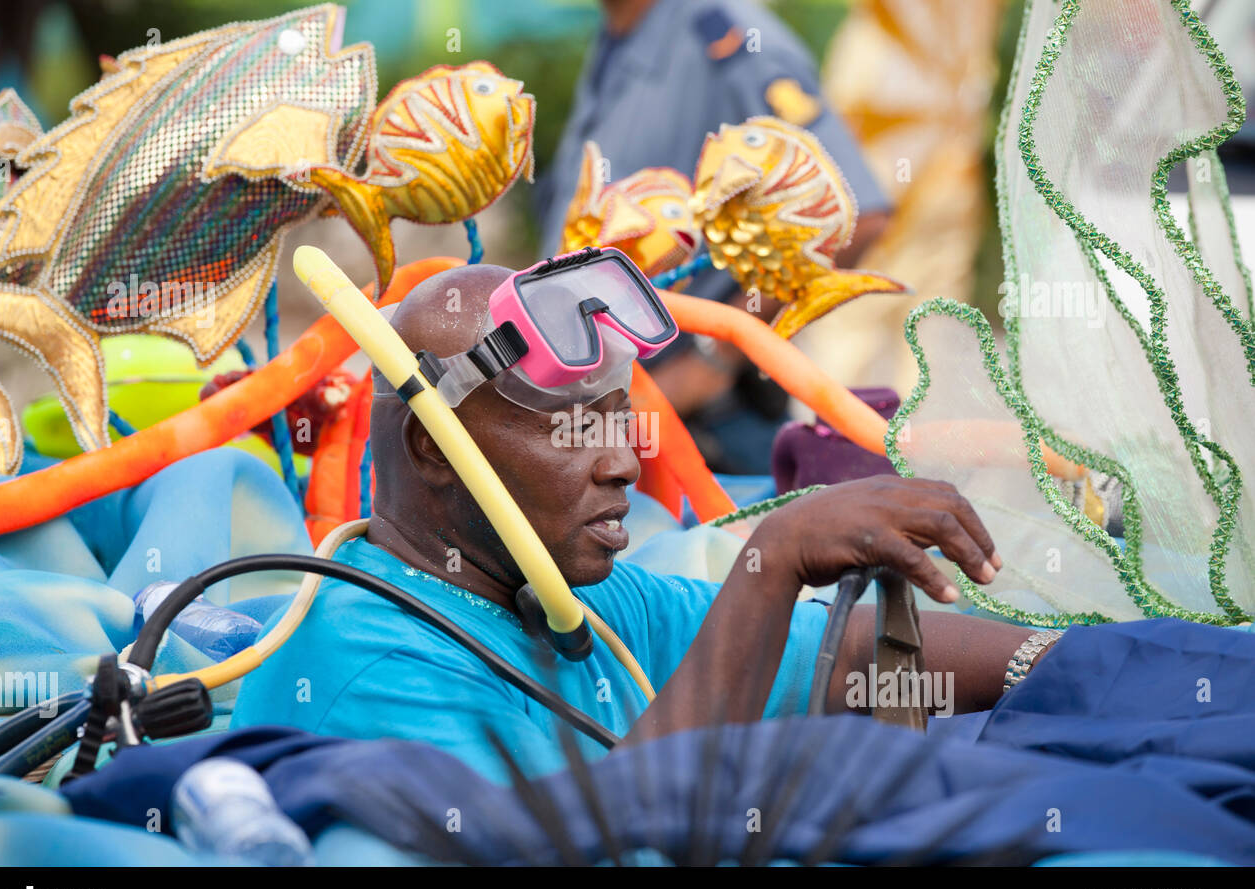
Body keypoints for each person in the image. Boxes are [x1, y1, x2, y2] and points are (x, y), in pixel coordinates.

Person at [231, 263, 1050, 783]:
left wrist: (1080, 664)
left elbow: (837, 663)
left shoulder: (573, 604)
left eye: (618, 420)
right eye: (569, 426)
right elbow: (602, 841)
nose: (621, 460)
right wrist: (779, 552)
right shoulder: (369, 664)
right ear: (433, 447)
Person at [535, 0, 892, 473]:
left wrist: (715, 358)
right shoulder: (618, 35)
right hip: (610, 422)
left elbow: (860, 214)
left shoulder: (728, 38)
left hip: (710, 430)